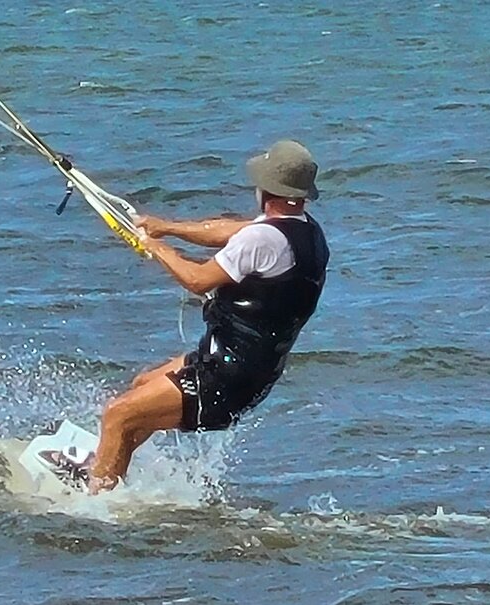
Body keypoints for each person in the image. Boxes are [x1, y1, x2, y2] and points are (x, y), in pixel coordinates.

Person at [88, 140, 330, 493]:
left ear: (266, 189)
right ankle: (110, 474)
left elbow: (198, 281)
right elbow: (226, 231)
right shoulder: (304, 230)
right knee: (141, 389)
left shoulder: (262, 240)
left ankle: (96, 505)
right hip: (242, 366)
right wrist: (165, 226)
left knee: (117, 414)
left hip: (226, 376)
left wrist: (158, 248)